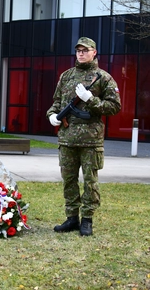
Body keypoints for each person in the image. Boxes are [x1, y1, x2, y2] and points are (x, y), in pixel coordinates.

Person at [46, 37, 121, 236]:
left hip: (90, 140)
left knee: (90, 181)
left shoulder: (103, 78)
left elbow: (114, 107)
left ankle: (87, 219)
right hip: (67, 138)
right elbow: (56, 102)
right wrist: (52, 115)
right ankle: (71, 218)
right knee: (69, 180)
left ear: (94, 52)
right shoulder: (66, 76)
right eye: (78, 50)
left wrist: (92, 100)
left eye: (85, 50)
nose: (81, 53)